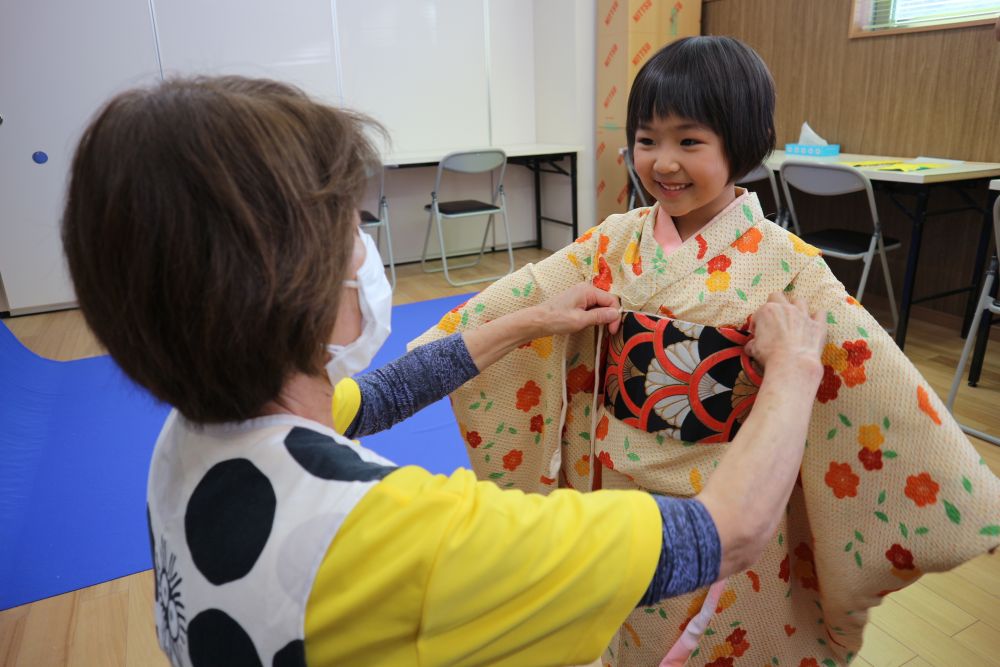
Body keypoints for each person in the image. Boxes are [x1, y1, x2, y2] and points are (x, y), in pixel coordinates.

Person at [60, 76, 831, 667]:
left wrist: (531, 319)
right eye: (352, 226)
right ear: (293, 281)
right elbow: (720, 533)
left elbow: (385, 393)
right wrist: (795, 367)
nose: (365, 251)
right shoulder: (409, 535)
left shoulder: (190, 439)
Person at [411, 36, 1000, 666]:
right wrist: (430, 358)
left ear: (740, 143)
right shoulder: (615, 240)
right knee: (625, 615)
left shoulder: (788, 266)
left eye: (689, 141)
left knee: (717, 636)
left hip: (723, 492)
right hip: (613, 481)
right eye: (647, 139)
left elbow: (873, 377)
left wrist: (968, 496)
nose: (663, 162)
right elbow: (521, 296)